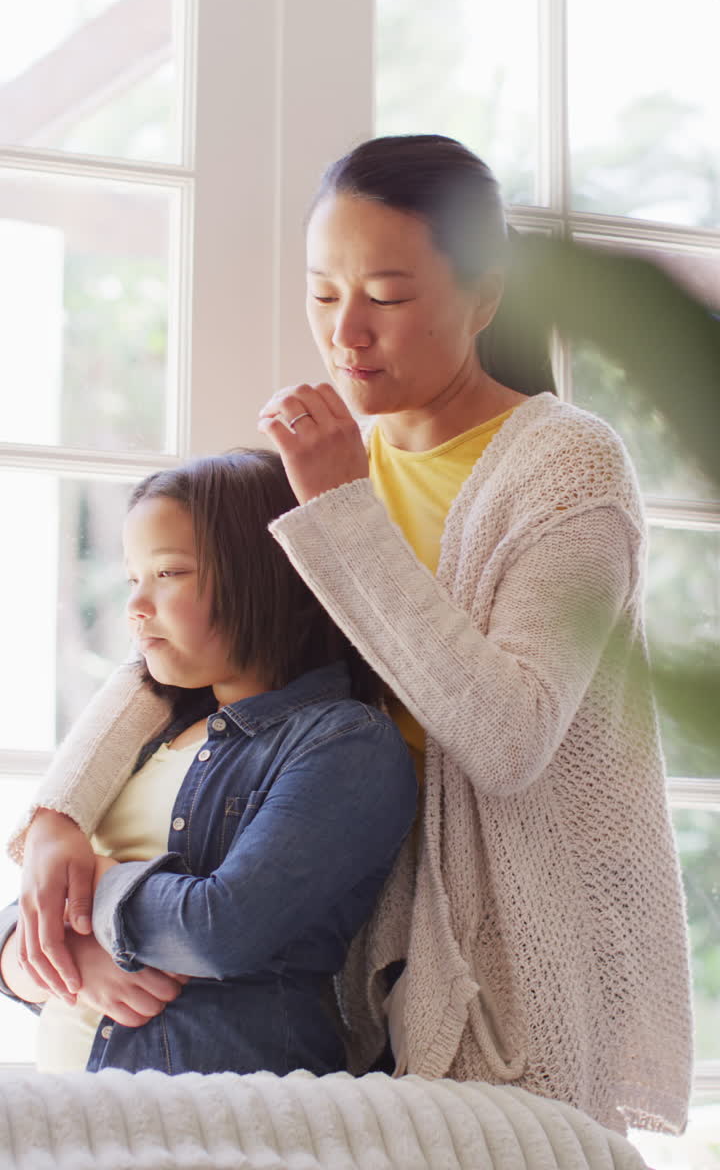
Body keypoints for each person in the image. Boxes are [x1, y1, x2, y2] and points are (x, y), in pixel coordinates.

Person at [8, 136, 691, 1134]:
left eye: (388, 294)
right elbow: (181, 651)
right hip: (356, 964)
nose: (348, 333)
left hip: (516, 961)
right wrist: (57, 816)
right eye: (324, 295)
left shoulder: (565, 470)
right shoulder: (333, 461)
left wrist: (337, 508)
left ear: (484, 296)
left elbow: (509, 734)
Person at [0, 448, 417, 1075]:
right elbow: (21, 920)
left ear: (271, 574)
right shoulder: (142, 731)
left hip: (216, 1118)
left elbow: (220, 928)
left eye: (168, 574)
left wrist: (93, 882)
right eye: (131, 579)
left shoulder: (348, 744)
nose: (137, 606)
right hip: (70, 1116)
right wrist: (73, 963)